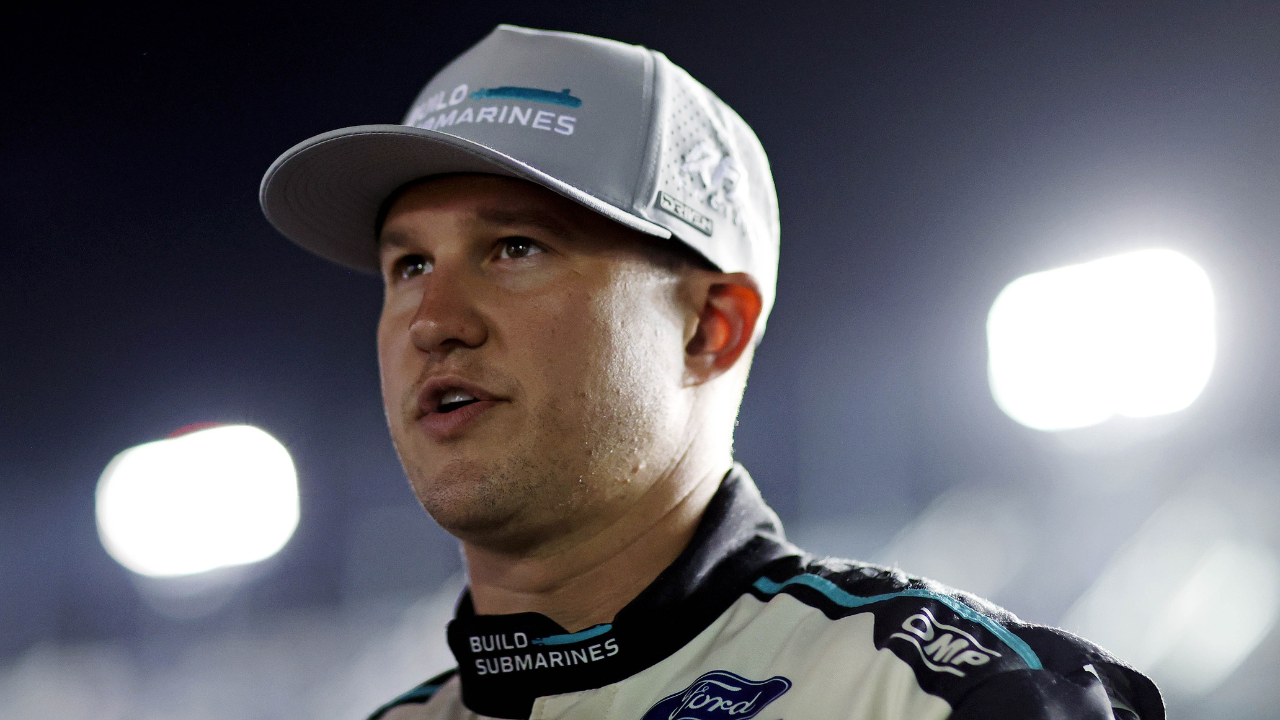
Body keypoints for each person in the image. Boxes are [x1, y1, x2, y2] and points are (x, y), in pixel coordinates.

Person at [260, 24, 1163, 720]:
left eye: (515, 247)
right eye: (408, 264)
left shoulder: (951, 700)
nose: (433, 323)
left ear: (710, 328)